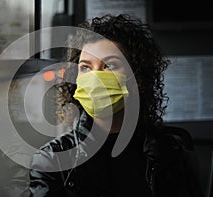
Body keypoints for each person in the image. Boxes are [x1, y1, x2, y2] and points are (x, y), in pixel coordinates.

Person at [28, 14, 204, 197]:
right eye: (86, 67)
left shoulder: (167, 152)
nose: (95, 77)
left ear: (137, 78)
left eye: (109, 66)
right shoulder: (51, 159)